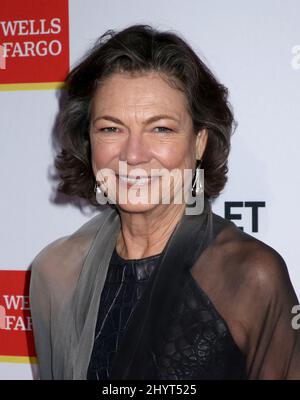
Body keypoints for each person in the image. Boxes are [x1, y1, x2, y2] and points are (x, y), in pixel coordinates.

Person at [29, 24, 300, 380]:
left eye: (161, 129)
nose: (134, 154)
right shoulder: (56, 272)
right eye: (111, 128)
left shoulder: (249, 276)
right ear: (88, 140)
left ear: (199, 142)